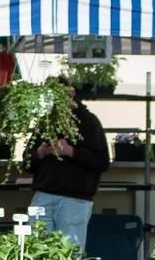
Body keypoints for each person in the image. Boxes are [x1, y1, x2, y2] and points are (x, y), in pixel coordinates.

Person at [28, 83, 110, 251]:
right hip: (44, 195)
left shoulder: (89, 122)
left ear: (73, 94)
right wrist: (40, 153)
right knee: (37, 250)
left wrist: (71, 151)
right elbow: (26, 163)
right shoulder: (46, 122)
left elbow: (102, 162)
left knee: (70, 252)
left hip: (74, 198)